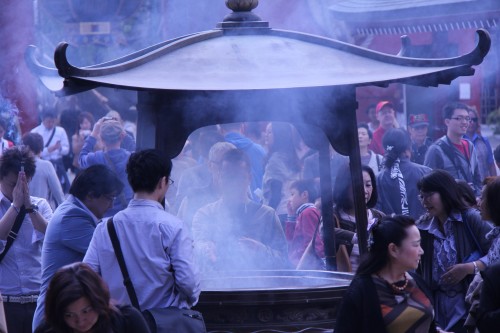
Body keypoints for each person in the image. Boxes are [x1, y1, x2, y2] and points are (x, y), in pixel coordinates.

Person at [84, 149, 201, 310]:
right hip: (163, 324)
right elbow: (188, 283)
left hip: (120, 323)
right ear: (162, 182)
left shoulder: (105, 228)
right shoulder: (173, 227)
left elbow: (87, 276)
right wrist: (186, 302)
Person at [32, 165, 124, 330]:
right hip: (57, 317)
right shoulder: (71, 218)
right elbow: (112, 253)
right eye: (110, 198)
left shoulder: (74, 211)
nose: (111, 205)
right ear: (90, 195)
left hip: (71, 312)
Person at [335, 215, 442, 333]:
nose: (421, 251)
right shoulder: (363, 290)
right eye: (415, 245)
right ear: (393, 249)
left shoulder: (417, 282)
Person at [416, 170, 493, 332]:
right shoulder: (423, 228)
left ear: (445, 193)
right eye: (422, 196)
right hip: (437, 306)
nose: (425, 201)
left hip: (467, 302)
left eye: (430, 195)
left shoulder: (470, 219)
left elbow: (496, 254)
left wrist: (469, 267)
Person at [192, 149, 288, 272]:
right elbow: (198, 246)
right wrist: (205, 249)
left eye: (238, 177)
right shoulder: (206, 214)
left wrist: (260, 250)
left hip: (260, 287)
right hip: (218, 286)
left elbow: (284, 261)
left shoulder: (266, 215)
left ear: (249, 178)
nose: (233, 183)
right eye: (228, 177)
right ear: (219, 177)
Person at [0, 147, 52, 333]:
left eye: (23, 184)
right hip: (5, 302)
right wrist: (15, 206)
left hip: (38, 300)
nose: (18, 190)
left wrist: (29, 207)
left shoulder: (40, 205)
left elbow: (50, 234)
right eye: (12, 184)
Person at [34, 262, 150, 333]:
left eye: (86, 311)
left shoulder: (127, 320)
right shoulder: (48, 330)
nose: (80, 321)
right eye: (69, 315)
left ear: (99, 301)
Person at [327, 164, 385, 272]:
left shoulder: (379, 217)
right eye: (357, 185)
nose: (364, 191)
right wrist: (355, 237)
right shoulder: (333, 216)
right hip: (344, 284)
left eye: (368, 185)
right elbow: (325, 232)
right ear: (344, 187)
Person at [424, 102, 482, 195]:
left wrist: (478, 196)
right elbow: (428, 184)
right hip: (450, 206)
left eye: (467, 118)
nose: (465, 122)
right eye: (459, 118)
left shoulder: (470, 146)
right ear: (447, 122)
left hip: (470, 204)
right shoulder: (436, 150)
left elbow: (477, 178)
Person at [79, 118, 133, 216]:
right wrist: (124, 133)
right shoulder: (131, 158)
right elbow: (138, 149)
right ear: (121, 136)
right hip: (127, 211)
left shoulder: (95, 158)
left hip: (104, 213)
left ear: (102, 139)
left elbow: (81, 158)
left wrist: (94, 133)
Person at [177, 141, 236, 230]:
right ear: (210, 165)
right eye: (221, 164)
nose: (226, 169)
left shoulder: (244, 197)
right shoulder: (192, 198)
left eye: (232, 164)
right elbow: (182, 232)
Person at [376, 128, 431, 220]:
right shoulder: (426, 172)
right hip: (423, 230)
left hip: (391, 231)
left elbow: (377, 211)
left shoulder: (378, 178)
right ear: (408, 147)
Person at [262, 122, 301, 217]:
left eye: (270, 132)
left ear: (279, 135)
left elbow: (276, 195)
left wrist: (268, 216)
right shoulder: (291, 156)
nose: (266, 135)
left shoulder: (275, 160)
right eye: (266, 132)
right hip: (291, 211)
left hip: (279, 213)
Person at [220, 122, 266, 200]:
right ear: (243, 127)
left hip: (226, 207)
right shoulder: (260, 150)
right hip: (258, 207)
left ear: (221, 130)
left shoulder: (217, 151)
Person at [31, 109, 71, 193]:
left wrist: (59, 148)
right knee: (43, 190)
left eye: (53, 121)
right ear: (43, 119)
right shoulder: (35, 132)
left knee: (59, 190)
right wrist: (50, 149)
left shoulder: (61, 131)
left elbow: (66, 150)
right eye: (48, 121)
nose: (50, 124)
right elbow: (33, 153)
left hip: (58, 164)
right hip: (42, 164)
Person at [22, 133, 65, 210]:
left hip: (20, 212)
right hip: (41, 211)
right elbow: (58, 192)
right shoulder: (46, 165)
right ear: (41, 149)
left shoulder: (18, 164)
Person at [285, 178, 322, 267]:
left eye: (292, 194)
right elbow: (291, 241)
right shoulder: (303, 213)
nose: (289, 199)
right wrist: (291, 216)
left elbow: (313, 245)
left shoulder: (308, 213)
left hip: (306, 267)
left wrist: (299, 262)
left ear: (304, 194)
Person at [464, 106, 497, 181]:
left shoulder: (484, 141)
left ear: (477, 122)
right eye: (469, 119)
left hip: (484, 185)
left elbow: (491, 164)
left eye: (474, 120)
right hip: (466, 187)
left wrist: (495, 183)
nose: (471, 122)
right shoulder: (459, 141)